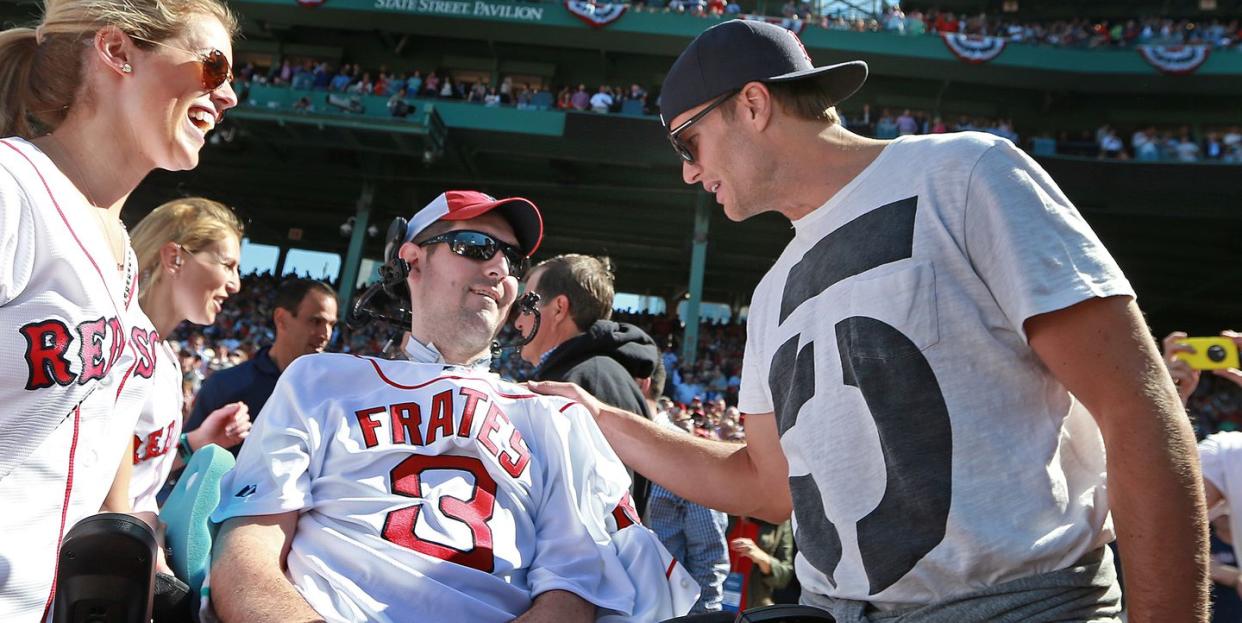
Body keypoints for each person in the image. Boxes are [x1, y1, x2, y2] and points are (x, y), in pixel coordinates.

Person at [531, 19, 1207, 622]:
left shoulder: (966, 174)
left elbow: (1137, 407)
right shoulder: (770, 294)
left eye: (689, 141)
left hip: (1018, 602)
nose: (687, 172)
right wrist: (603, 417)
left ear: (754, 104)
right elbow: (766, 485)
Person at [210, 190, 696, 623]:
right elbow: (247, 551)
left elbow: (570, 594)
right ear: (413, 260)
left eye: (511, 259)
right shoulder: (320, 379)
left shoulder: (554, 416)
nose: (500, 269)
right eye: (476, 247)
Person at [0, 0, 238, 616]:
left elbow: (103, 430)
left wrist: (138, 540)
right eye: (214, 68)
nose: (230, 95)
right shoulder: (12, 190)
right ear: (116, 51)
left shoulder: (124, 253)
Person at [102, 198, 252, 552]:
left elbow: (139, 468)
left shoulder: (166, 358)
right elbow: (109, 505)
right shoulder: (114, 345)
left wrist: (193, 442)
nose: (235, 284)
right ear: (175, 258)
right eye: (227, 265)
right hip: (87, 562)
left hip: (120, 557)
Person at [514, 253, 660, 514]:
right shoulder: (590, 372)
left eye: (527, 305)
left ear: (559, 308)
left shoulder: (591, 380)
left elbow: (603, 510)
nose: (518, 321)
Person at [184, 277, 336, 454]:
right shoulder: (226, 385)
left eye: (332, 324)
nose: (326, 334)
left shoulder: (334, 394)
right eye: (316, 321)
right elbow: (188, 462)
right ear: (281, 319)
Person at [641, 360, 730, 614]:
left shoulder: (688, 455)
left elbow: (708, 555)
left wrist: (702, 618)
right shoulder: (602, 441)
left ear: (641, 384)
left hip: (668, 612)